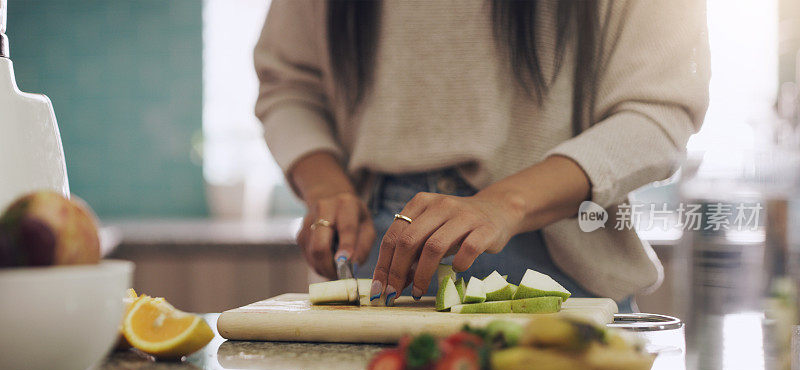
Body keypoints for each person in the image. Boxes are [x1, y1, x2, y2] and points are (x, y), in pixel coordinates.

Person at [254, 0, 710, 312]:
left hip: (564, 259)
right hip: (373, 252)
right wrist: (326, 186)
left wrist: (504, 204)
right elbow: (289, 87)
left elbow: (660, 110)